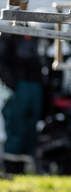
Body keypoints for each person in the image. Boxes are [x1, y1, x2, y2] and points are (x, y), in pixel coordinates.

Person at [0, 31, 49, 174]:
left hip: (34, 85)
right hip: (18, 86)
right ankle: (11, 168)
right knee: (16, 127)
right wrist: (11, 83)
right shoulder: (9, 35)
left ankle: (22, 168)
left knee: (30, 129)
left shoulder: (33, 34)